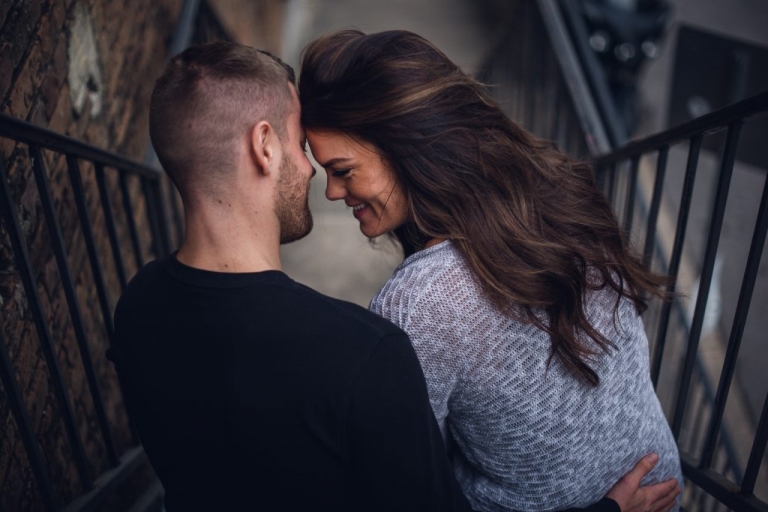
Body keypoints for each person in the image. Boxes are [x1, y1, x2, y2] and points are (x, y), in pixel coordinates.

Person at [109, 40, 675, 512]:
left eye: (340, 168)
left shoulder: (136, 308)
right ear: (263, 146)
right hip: (656, 473)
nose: (322, 184)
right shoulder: (557, 190)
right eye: (307, 154)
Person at [299, 29, 684, 512]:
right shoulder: (556, 186)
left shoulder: (420, 303)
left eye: (343, 169)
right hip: (663, 486)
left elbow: (415, 489)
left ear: (407, 147)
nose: (333, 193)